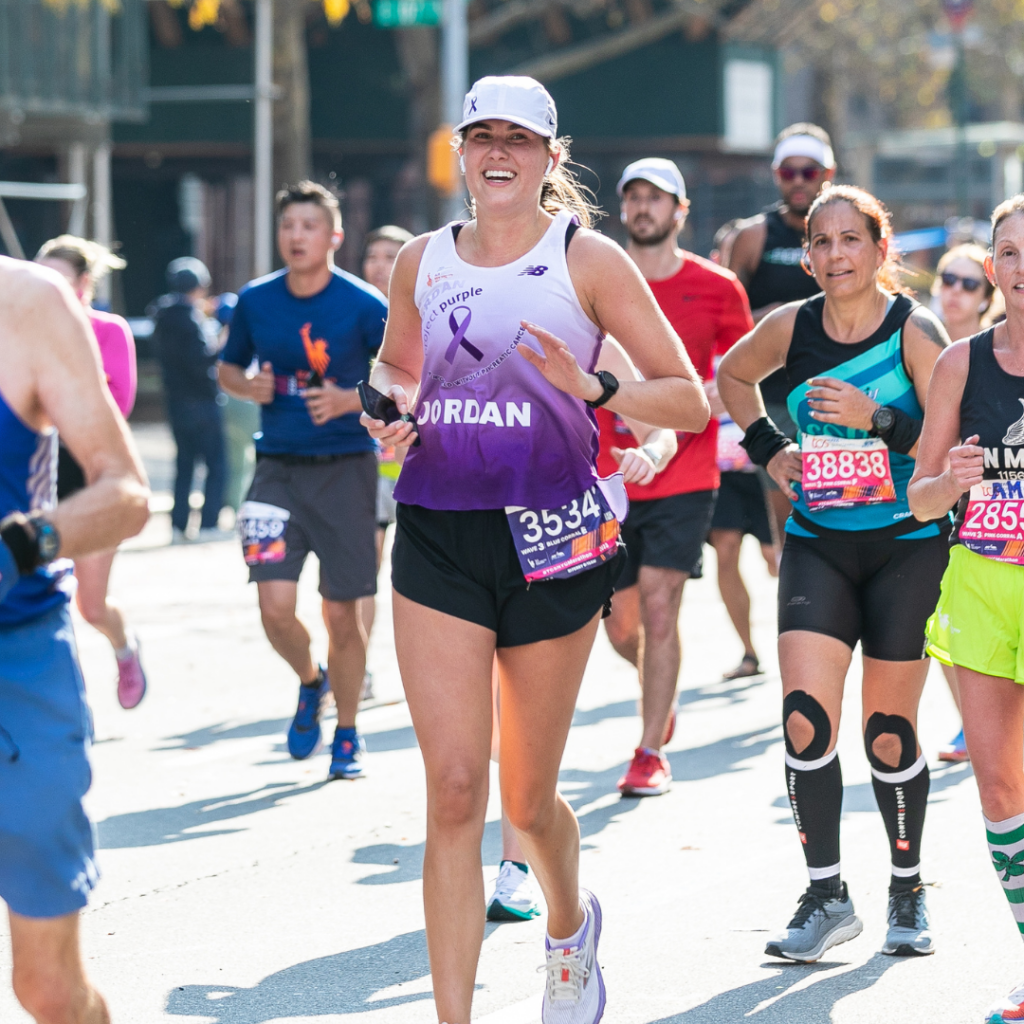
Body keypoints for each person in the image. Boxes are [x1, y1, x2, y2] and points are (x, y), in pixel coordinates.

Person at [361, 76, 708, 1024]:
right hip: (438, 533)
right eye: (482, 136)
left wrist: (596, 388)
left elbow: (687, 397)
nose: (498, 152)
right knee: (454, 790)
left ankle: (568, 930)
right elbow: (396, 366)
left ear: (553, 157)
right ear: (461, 153)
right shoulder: (422, 261)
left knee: (527, 798)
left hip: (553, 540)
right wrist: (385, 408)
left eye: (520, 137)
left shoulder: (587, 260)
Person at [718, 184, 952, 963]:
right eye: (821, 242)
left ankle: (906, 889)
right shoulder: (792, 325)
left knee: (887, 734)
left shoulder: (915, 332)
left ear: (881, 249)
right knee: (804, 723)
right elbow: (730, 375)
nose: (835, 255)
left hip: (905, 543)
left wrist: (876, 418)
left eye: (852, 239)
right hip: (818, 536)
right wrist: (768, 450)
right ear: (808, 253)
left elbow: (947, 448)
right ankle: (826, 894)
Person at [0, 255, 149, 1023]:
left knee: (48, 989)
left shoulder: (26, 301)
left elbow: (126, 492)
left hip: (17, 665)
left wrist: (25, 542)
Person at [488, 338, 678, 921]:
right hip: (471, 526)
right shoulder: (459, 313)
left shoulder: (588, 337)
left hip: (561, 534)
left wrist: (650, 450)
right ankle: (514, 864)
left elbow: (664, 426)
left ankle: (522, 864)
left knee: (525, 706)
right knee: (495, 708)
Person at [218, 181, 387, 781]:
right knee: (273, 606)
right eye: (288, 225)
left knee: (344, 614)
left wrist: (350, 398)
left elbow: (404, 373)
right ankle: (310, 681)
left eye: (309, 226)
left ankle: (347, 732)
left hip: (346, 472)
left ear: (334, 236)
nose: (296, 236)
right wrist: (245, 385)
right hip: (276, 472)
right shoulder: (256, 301)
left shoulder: (364, 305)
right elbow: (229, 366)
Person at [602, 157, 753, 797]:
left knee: (661, 606)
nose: (643, 208)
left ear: (679, 211)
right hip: (605, 476)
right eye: (633, 196)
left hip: (686, 474)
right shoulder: (599, 279)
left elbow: (745, 369)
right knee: (622, 625)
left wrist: (723, 394)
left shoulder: (718, 287)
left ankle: (648, 749)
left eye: (655, 198)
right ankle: (656, 691)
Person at [908, 195, 1024, 1023]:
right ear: (993, 270)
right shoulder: (961, 364)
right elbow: (918, 499)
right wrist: (953, 479)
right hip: (980, 588)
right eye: (1010, 253)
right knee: (998, 788)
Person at [34, 235, 148, 709]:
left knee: (91, 605)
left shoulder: (108, 330)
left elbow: (119, 405)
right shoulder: (23, 332)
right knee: (37, 599)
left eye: (58, 280)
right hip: (37, 476)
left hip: (94, 478)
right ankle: (63, 702)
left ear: (83, 284)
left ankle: (125, 648)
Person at [727, 123, 836, 547]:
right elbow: (727, 318)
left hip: (835, 396)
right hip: (773, 397)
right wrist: (768, 319)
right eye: (788, 172)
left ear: (827, 173)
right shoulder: (754, 236)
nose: (797, 181)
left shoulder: (848, 233)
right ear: (776, 175)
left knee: (838, 521)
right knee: (787, 531)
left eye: (808, 172)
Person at [930, 243, 1004, 762]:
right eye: (946, 279)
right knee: (941, 625)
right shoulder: (921, 341)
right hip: (932, 509)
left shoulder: (998, 353)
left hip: (993, 527)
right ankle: (970, 724)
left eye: (967, 283)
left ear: (987, 294)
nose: (954, 291)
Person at [358, 225, 413, 697]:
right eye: (373, 256)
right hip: (366, 468)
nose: (380, 265)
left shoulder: (424, 315)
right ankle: (359, 667)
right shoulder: (353, 313)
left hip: (418, 469)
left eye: (392, 256)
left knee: (411, 578)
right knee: (363, 571)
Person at [151, 257, 227, 543]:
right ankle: (209, 523)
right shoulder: (190, 320)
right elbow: (202, 359)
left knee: (184, 465)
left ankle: (178, 524)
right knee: (215, 464)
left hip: (176, 402)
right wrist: (222, 340)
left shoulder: (161, 316)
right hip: (202, 402)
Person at [707, 388, 778, 679]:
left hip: (768, 463)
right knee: (726, 550)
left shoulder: (760, 341)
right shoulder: (690, 343)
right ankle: (749, 653)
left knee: (776, 558)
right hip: (720, 468)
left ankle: (804, 644)